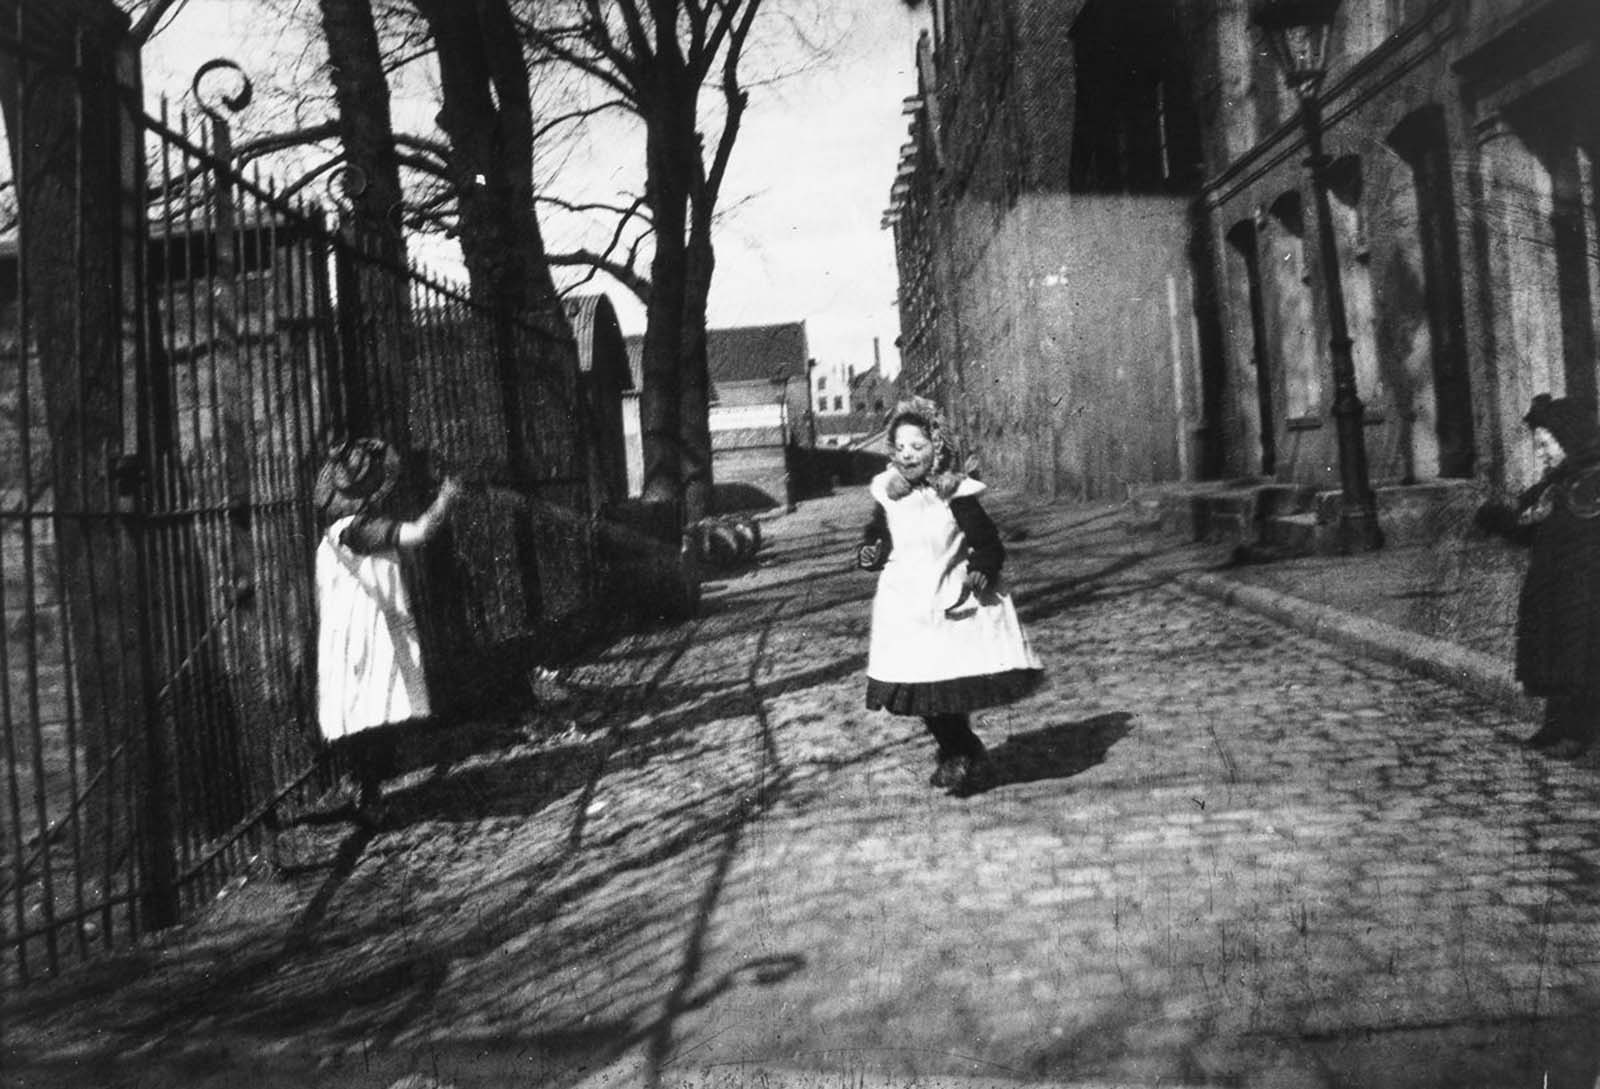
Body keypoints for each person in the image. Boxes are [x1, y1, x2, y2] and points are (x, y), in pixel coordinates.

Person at [856, 397, 1044, 794]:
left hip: (948, 597)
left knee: (945, 685)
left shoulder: (956, 495)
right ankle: (959, 749)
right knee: (917, 687)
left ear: (936, 448)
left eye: (918, 447)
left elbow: (986, 540)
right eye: (901, 448)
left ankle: (960, 752)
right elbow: (879, 536)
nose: (908, 455)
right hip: (905, 603)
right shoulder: (889, 495)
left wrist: (982, 567)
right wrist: (870, 551)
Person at [314, 437, 462, 809]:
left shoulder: (331, 535)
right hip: (367, 636)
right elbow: (421, 532)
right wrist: (446, 499)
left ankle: (364, 789)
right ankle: (364, 793)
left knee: (365, 713)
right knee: (372, 713)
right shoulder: (362, 531)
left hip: (346, 638)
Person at [1475, 394, 1600, 758]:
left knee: (1578, 658)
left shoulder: (1590, 483)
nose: (1542, 452)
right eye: (1539, 444)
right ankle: (1554, 726)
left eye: (1546, 444)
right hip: (1555, 589)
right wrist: (1501, 521)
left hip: (1583, 591)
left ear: (1567, 440)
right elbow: (1535, 527)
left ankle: (1577, 733)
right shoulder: (1560, 480)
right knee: (1553, 654)